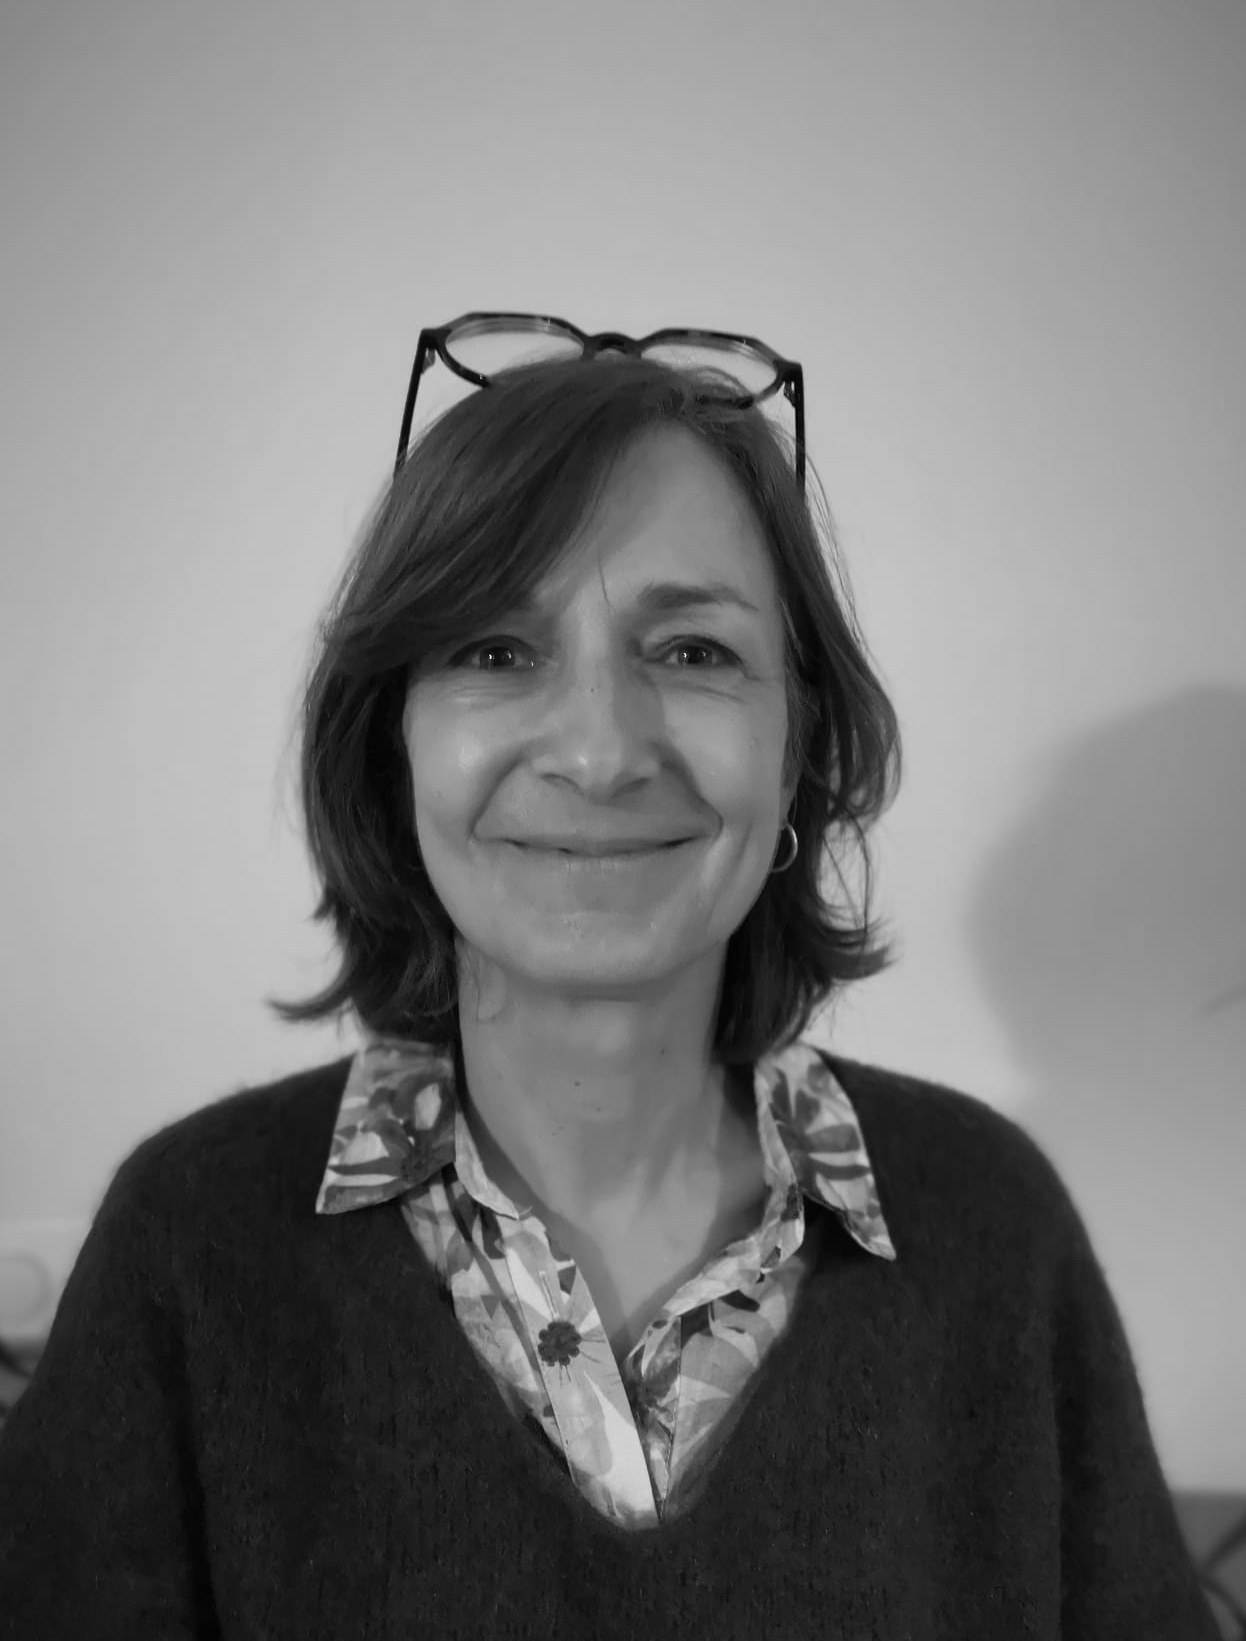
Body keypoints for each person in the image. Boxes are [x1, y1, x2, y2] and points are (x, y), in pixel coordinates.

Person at [0, 333, 1218, 1638]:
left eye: (692, 651)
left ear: (795, 742)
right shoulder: (189, 1242)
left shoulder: (992, 1224)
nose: (597, 751)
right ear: (392, 741)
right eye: (492, 649)